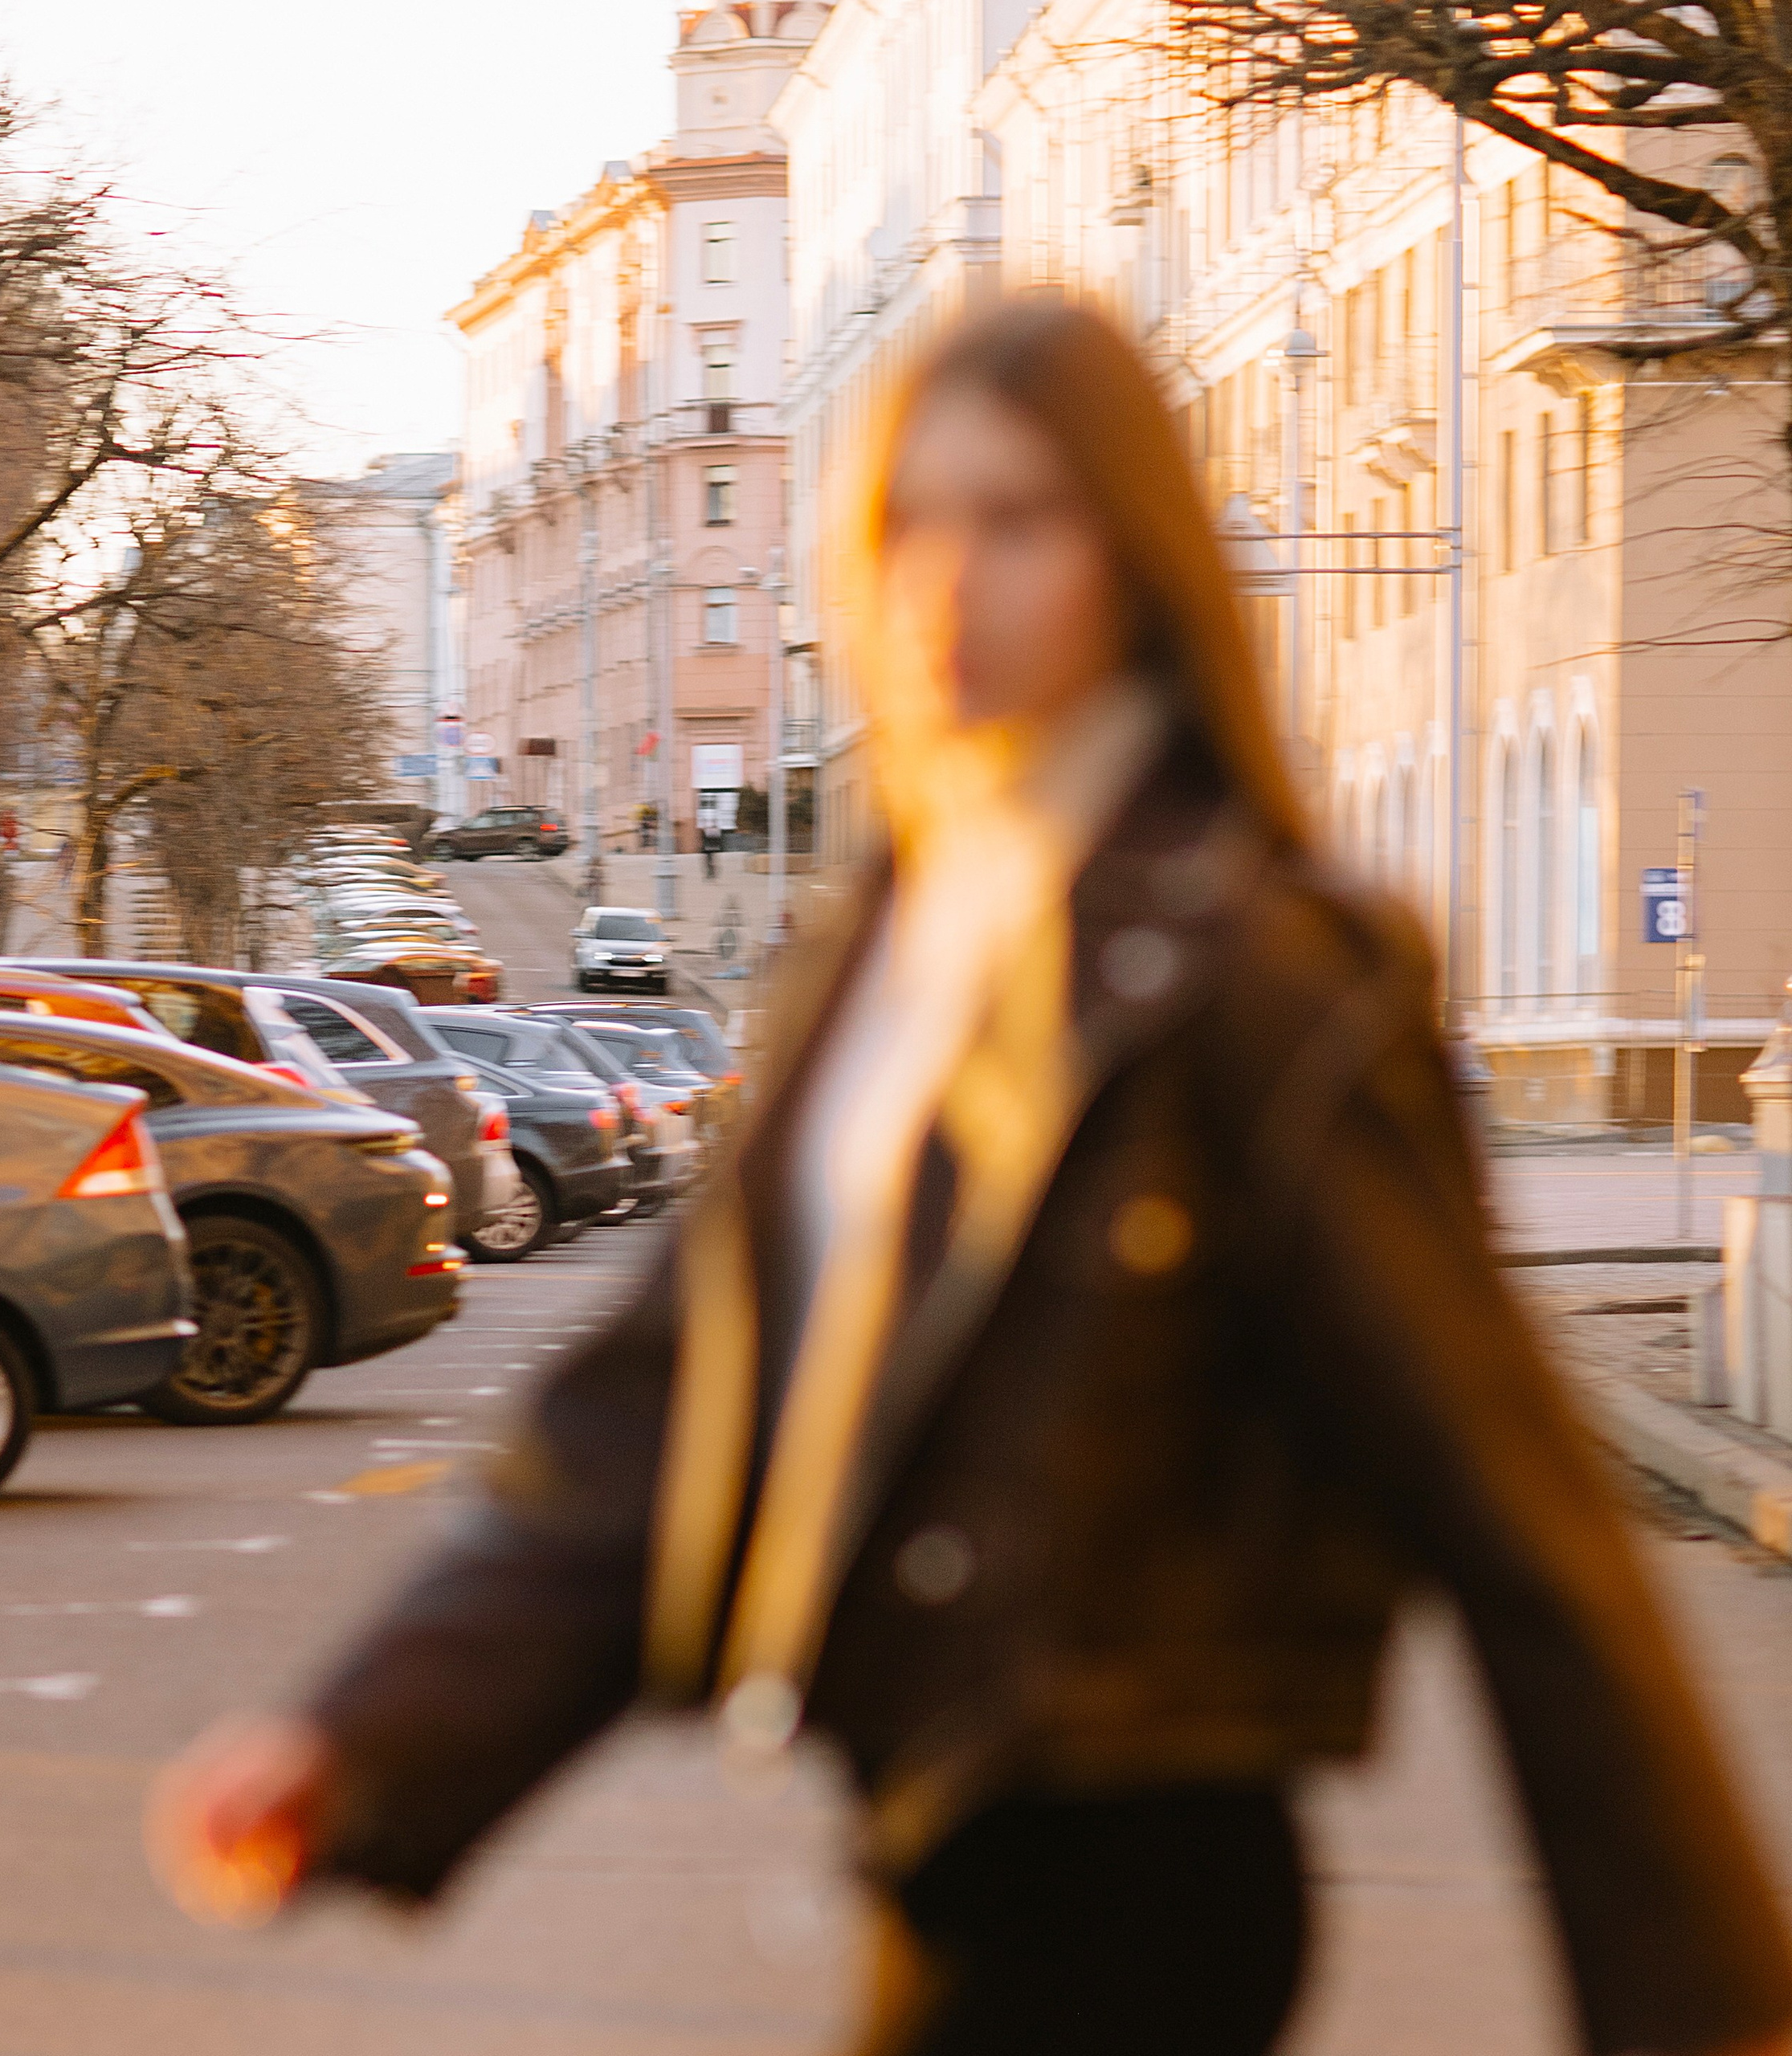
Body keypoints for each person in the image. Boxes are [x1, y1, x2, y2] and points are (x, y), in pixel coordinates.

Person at [148, 300, 1792, 2056]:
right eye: (905, 526)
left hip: (1136, 1879)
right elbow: (676, 1386)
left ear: (1133, 555)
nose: (948, 580)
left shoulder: (1255, 971)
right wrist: (370, 1738)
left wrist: (1698, 2000)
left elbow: (1520, 1519)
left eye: (1016, 520)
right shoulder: (901, 939)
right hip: (943, 1849)